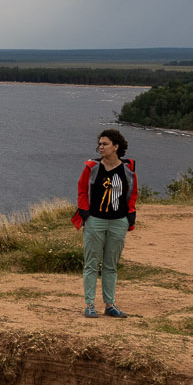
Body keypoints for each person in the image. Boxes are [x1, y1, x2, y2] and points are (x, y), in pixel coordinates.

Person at [72, 129, 137, 318]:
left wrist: (129, 216)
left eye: (105, 144)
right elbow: (82, 190)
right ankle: (89, 305)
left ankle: (110, 305)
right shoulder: (92, 167)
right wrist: (85, 214)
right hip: (95, 221)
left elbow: (133, 193)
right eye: (99, 144)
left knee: (111, 265)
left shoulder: (128, 169)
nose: (100, 147)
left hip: (118, 222)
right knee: (91, 264)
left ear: (116, 147)